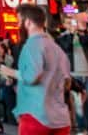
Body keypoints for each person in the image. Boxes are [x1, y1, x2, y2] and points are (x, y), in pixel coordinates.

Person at [15, 7, 73, 135]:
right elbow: (67, 82)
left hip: (36, 116)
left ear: (28, 22)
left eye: (19, 21)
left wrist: (11, 73)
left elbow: (31, 76)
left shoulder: (31, 46)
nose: (17, 25)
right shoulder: (56, 47)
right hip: (60, 118)